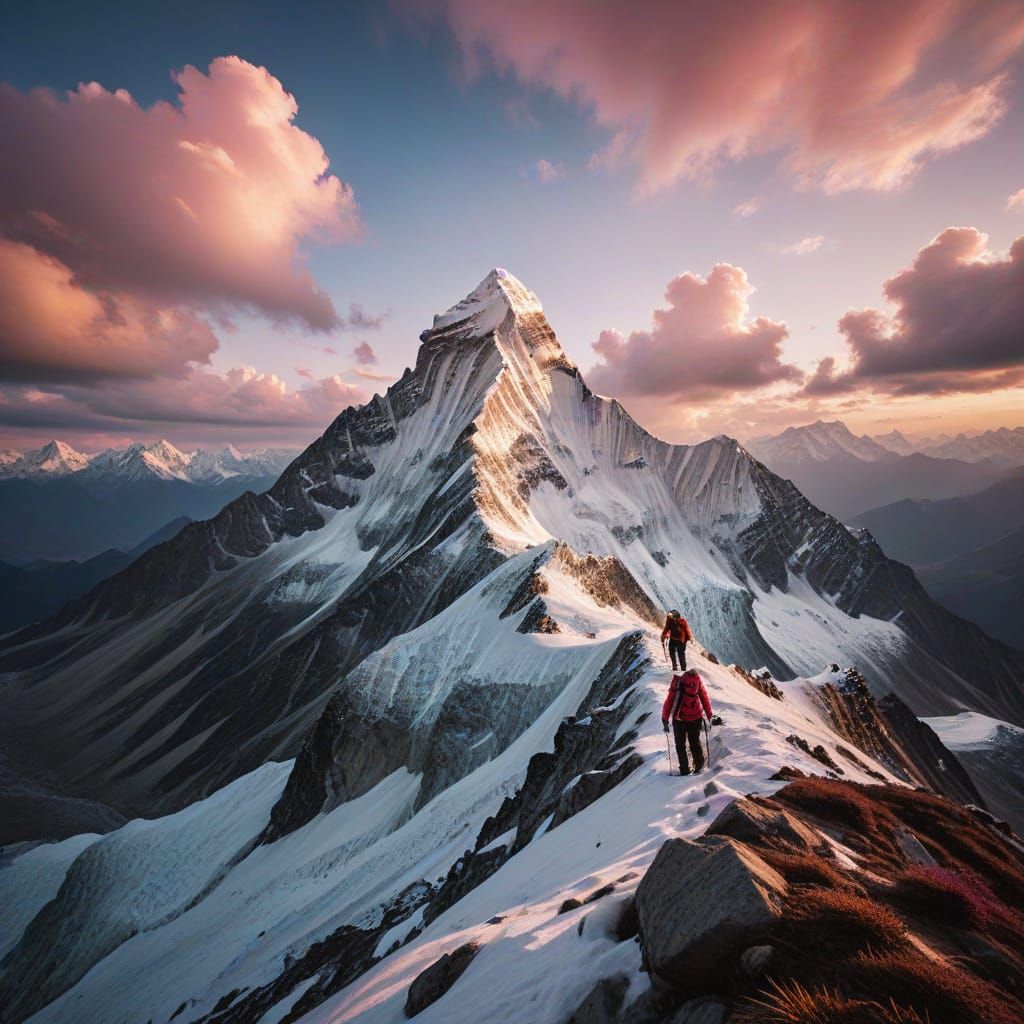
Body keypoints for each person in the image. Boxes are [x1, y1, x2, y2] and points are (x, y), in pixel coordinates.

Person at [661, 669, 713, 775]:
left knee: (680, 745)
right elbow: (704, 698)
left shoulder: (679, 682)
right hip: (696, 717)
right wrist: (709, 715)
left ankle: (684, 769)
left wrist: (665, 719)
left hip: (680, 719)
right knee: (695, 742)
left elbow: (669, 701)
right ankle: (699, 766)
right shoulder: (698, 681)